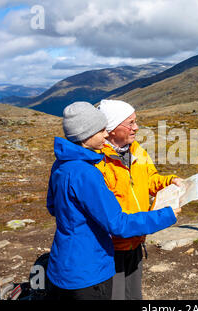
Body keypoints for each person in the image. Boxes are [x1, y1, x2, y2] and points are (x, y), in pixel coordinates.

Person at [46, 101, 180, 300]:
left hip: (69, 261)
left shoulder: (62, 164)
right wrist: (166, 215)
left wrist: (168, 181)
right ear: (87, 134)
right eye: (102, 130)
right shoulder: (89, 171)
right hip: (92, 264)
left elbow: (53, 207)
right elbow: (117, 223)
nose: (106, 134)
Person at [95, 99, 182, 300]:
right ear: (112, 129)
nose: (137, 127)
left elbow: (149, 178)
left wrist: (169, 181)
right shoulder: (100, 161)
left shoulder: (136, 150)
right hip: (111, 247)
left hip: (136, 239)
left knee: (134, 296)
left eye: (136, 121)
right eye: (130, 123)